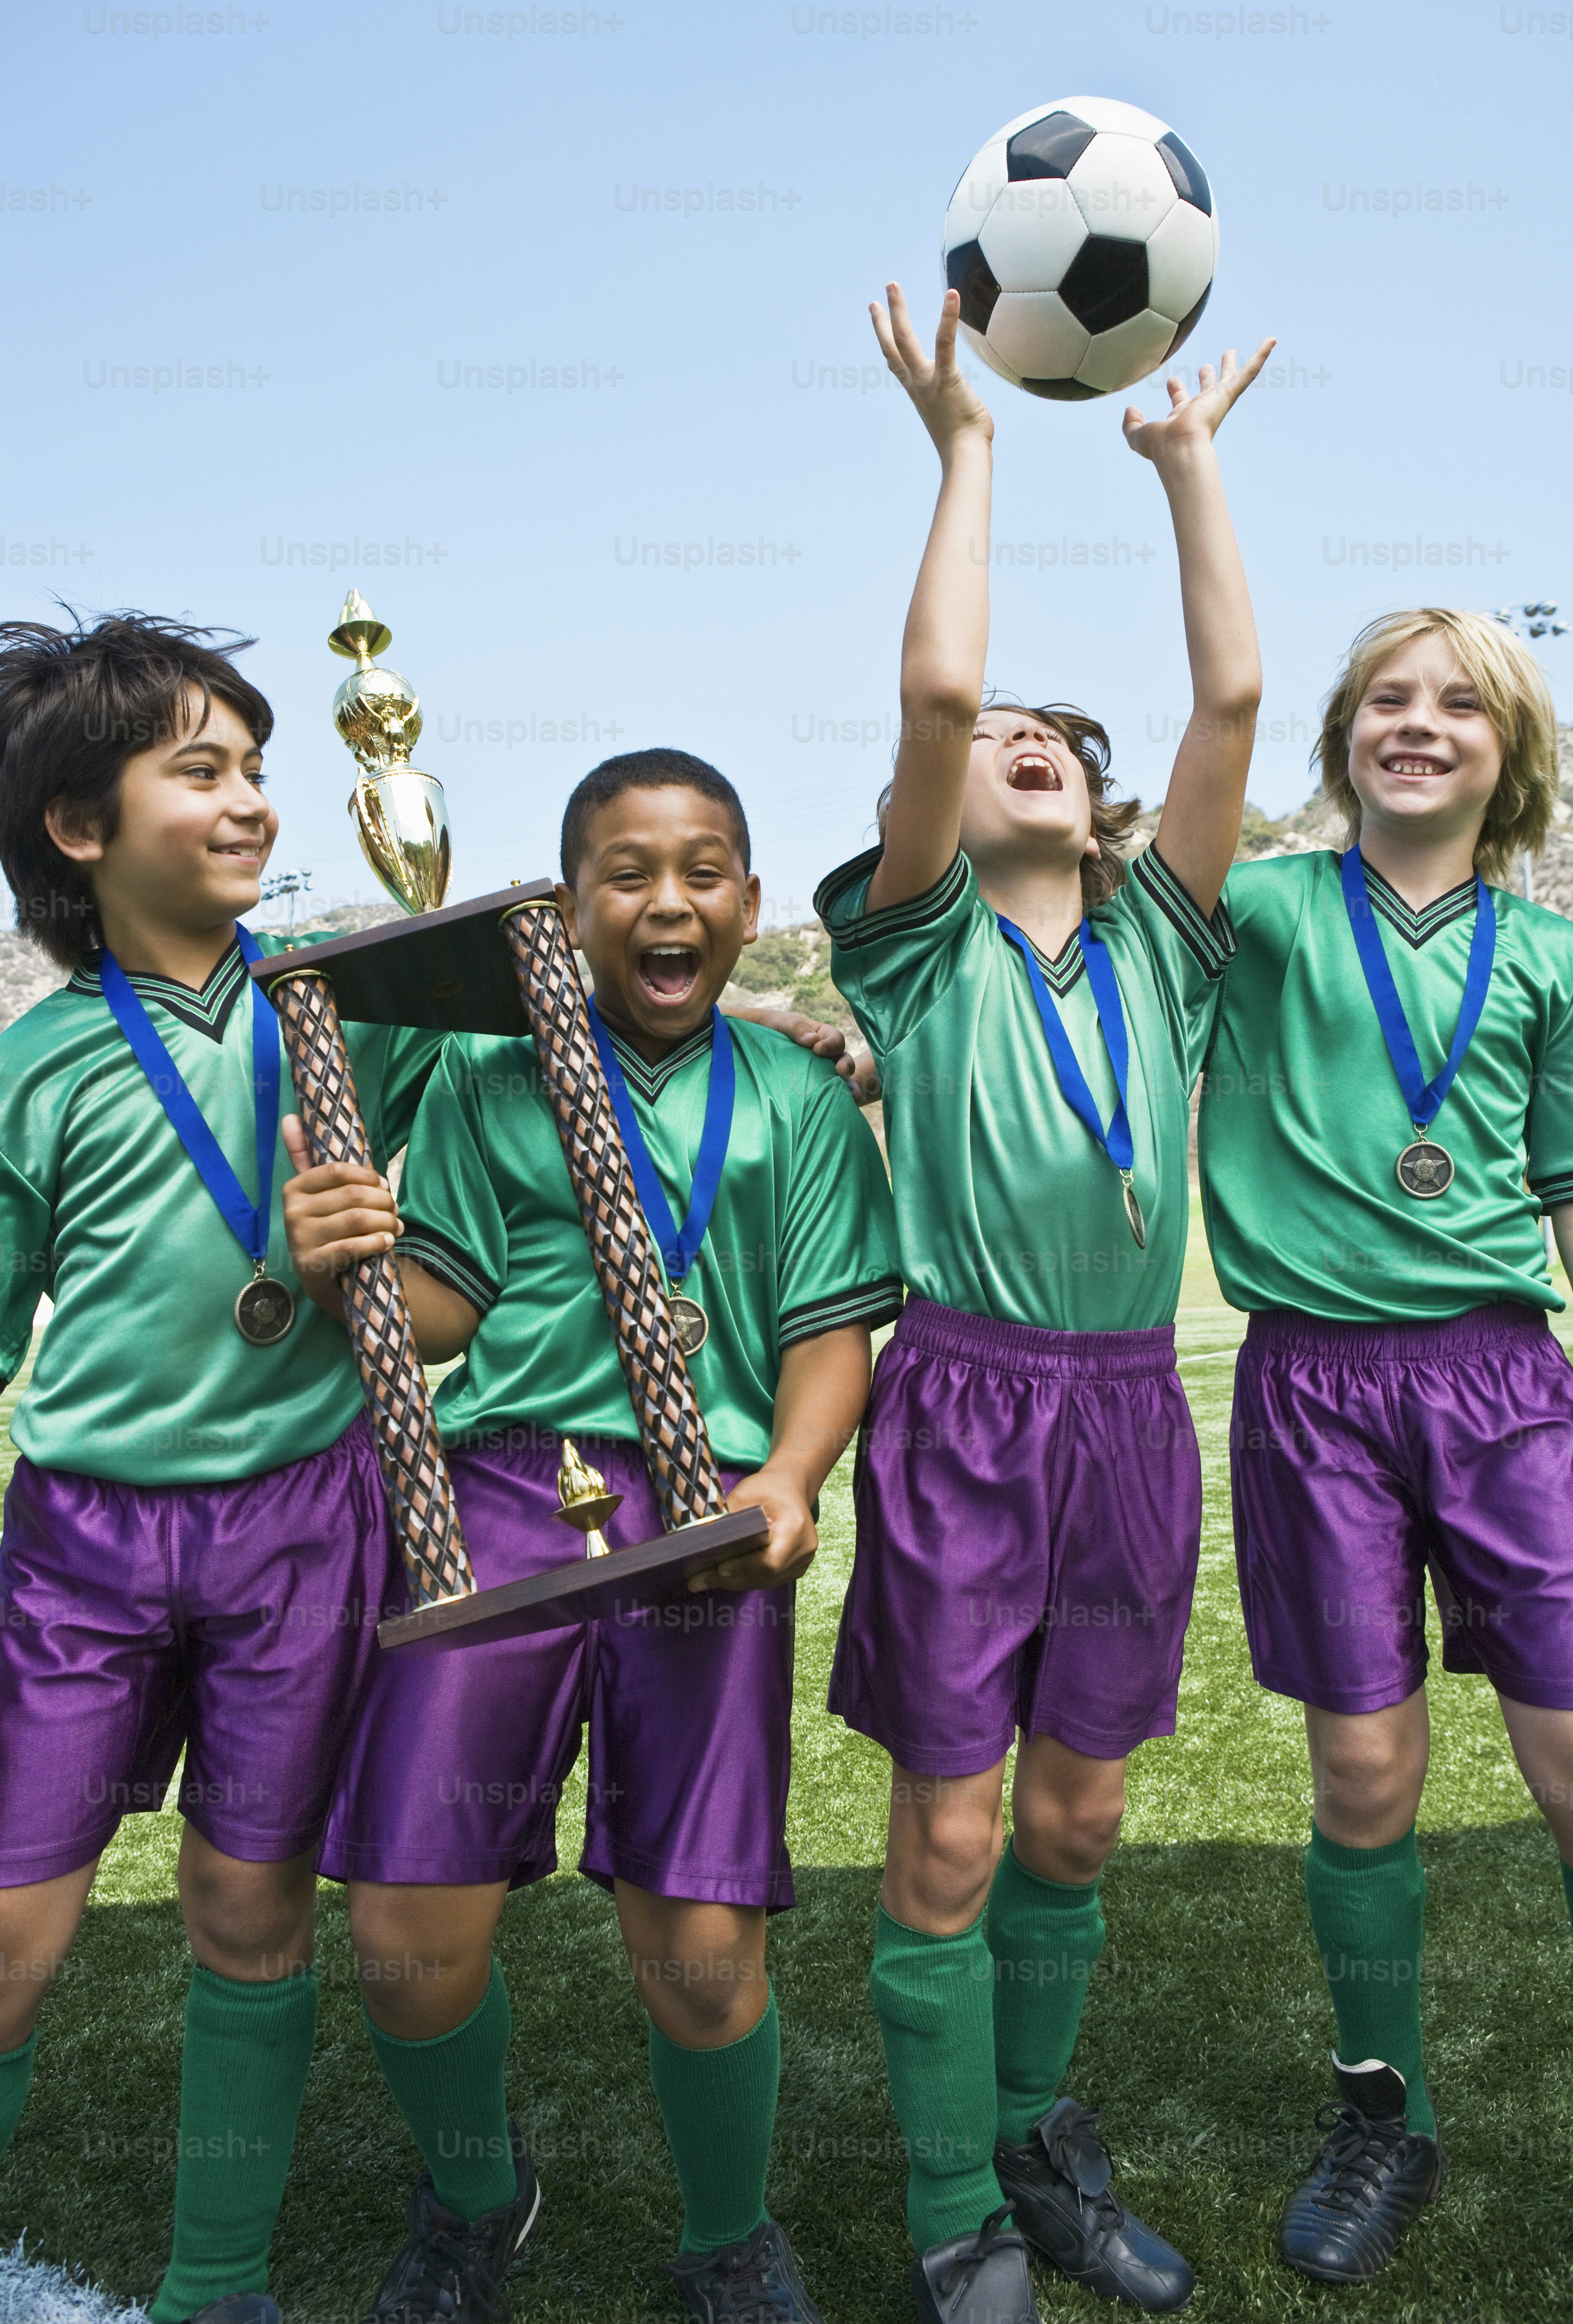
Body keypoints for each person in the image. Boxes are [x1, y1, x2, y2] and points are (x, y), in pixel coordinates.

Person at [285, 747, 904, 2324]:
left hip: (711, 1520)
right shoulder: (499, 1090)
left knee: (700, 1941)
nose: (667, 898)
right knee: (406, 1921)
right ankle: (478, 2197)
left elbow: (833, 1328)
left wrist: (795, 1477)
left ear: (751, 901)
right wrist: (348, 1247)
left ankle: (728, 2235)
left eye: (702, 867)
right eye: (624, 872)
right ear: (564, 914)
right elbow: (441, 1312)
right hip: (502, 1494)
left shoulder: (794, 1100)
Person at [813, 286, 1270, 2322]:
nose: (1028, 745)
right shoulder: (912, 949)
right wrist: (971, 451)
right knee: (951, 1816)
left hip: (1121, 1415)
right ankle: (943, 2206)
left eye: (1061, 747)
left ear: (1098, 806)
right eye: (1012, 735)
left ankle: (1026, 2131)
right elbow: (930, 701)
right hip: (964, 1399)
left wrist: (1184, 468)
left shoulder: (1166, 941)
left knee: (1077, 1811)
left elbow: (1235, 706)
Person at [0, 614, 439, 2324]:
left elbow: (541, 1045)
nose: (252, 800)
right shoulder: (36, 1063)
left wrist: (818, 1046)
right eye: (203, 770)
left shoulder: (346, 999)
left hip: (302, 1516)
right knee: (17, 1930)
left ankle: (216, 2286)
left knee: (249, 1909)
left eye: (259, 768)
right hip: (81, 1538)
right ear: (79, 828)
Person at [1198, 607, 1573, 2282]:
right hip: (1313, 1391)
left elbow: (1558, 1188)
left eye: (1456, 706)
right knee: (1363, 1772)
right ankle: (1380, 2110)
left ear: (1507, 759)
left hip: (1504, 1386)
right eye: (1383, 698)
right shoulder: (1263, 907)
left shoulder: (1549, 955)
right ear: (1340, 730)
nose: (1414, 723)